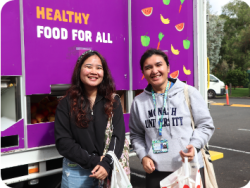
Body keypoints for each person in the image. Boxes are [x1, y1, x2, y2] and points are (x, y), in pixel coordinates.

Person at [129, 49, 215, 188]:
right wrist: (143, 156)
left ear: (168, 68)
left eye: (159, 65)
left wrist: (195, 145)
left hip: (189, 169)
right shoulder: (139, 102)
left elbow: (205, 125)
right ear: (143, 72)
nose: (154, 71)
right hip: (156, 172)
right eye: (148, 67)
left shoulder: (188, 92)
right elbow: (136, 134)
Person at [54, 50, 125, 188]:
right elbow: (63, 142)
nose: (94, 71)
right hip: (77, 171)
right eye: (88, 66)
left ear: (104, 73)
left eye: (99, 68)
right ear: (79, 70)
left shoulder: (113, 101)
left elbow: (118, 136)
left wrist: (106, 163)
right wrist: (94, 160)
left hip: (107, 169)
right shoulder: (66, 103)